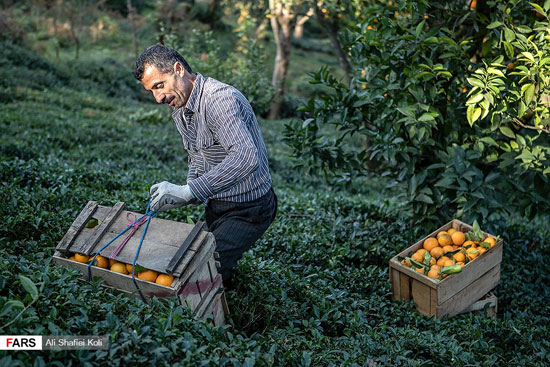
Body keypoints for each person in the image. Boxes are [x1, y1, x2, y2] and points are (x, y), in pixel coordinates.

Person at [133, 44, 277, 287]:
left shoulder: (219, 99)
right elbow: (197, 157)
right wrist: (184, 194)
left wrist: (189, 191)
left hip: (249, 208)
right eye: (151, 91)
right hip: (216, 204)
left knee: (205, 270)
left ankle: (223, 322)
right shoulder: (179, 108)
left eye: (159, 86)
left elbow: (246, 157)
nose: (158, 98)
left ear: (178, 69)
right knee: (210, 268)